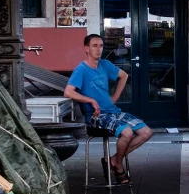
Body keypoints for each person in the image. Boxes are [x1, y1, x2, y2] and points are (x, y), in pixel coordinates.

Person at [65, 34, 152, 179]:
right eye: (94, 46)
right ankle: (117, 165)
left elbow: (124, 75)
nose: (99, 49)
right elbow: (68, 92)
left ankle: (114, 160)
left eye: (101, 46)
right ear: (86, 49)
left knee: (146, 132)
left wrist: (115, 97)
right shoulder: (82, 69)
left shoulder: (105, 65)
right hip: (96, 116)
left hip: (113, 112)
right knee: (127, 133)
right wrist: (91, 101)